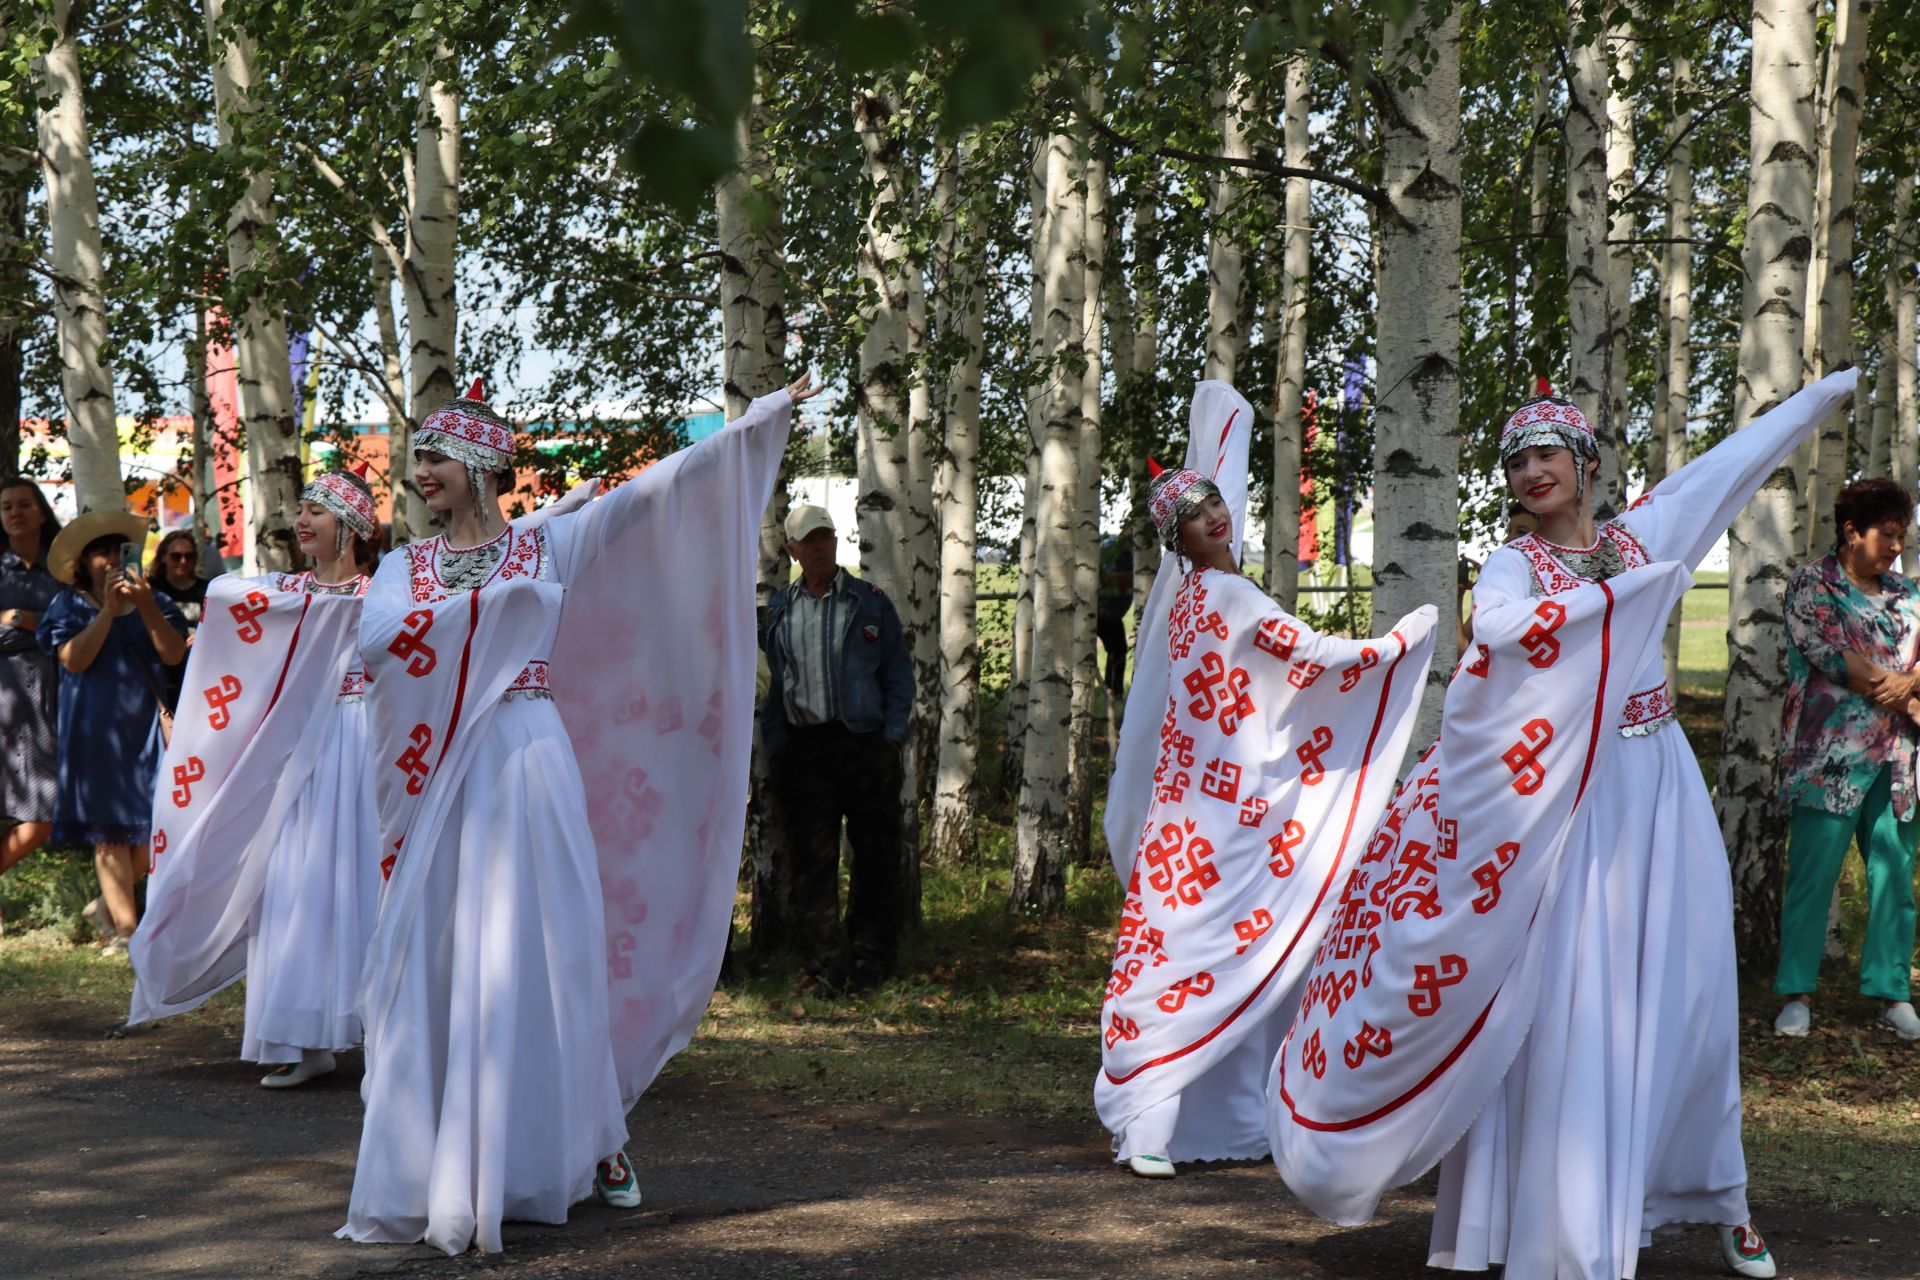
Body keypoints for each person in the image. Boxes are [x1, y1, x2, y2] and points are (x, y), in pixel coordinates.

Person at [1271, 369, 1859, 1280]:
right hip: (1572, 805)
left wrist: (1817, 400)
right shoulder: (1514, 564)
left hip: (1661, 786)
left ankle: (1716, 1197)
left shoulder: (1639, 538)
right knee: (1575, 1005)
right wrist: (1604, 606)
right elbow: (1501, 628)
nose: (1530, 471)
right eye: (1515, 461)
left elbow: (1725, 470)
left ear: (1586, 462)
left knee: (1691, 1001)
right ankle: (1557, 1219)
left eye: (1547, 453)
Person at [343, 374, 804, 1255]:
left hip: (526, 761)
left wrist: (752, 426)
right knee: (442, 955)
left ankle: (593, 1142)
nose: (419, 477)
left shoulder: (547, 549)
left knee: (550, 952)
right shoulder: (404, 568)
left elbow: (656, 495)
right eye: (417, 462)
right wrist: (490, 614)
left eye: (434, 459)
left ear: (480, 466)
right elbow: (377, 645)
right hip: (442, 775)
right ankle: (436, 1155)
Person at [1095, 381, 1436, 1178]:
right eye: (1195, 515)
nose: (1215, 517)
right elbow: (1312, 657)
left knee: (1176, 946)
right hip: (1222, 809)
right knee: (1212, 946)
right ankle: (1170, 1117)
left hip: (1189, 806)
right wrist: (1395, 648)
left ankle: (1167, 1119)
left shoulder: (1183, 601)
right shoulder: (1232, 593)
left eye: (1216, 504)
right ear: (1179, 538)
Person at [1772, 477, 1920, 1042]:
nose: (1895, 547)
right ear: (1851, 531)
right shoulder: (1812, 585)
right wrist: (1903, 687)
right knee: (1813, 876)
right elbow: (1836, 658)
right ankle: (1795, 993)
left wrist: (1908, 680)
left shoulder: (1907, 593)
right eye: (1886, 535)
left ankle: (1891, 991)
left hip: (1899, 758)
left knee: (1894, 875)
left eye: (1901, 536)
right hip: (1827, 755)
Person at [759, 501, 912, 992]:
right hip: (805, 751)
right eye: (810, 539)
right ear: (793, 551)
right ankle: (827, 964)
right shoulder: (778, 611)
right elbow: (768, 686)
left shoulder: (869, 601)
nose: (821, 545)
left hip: (865, 746)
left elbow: (898, 676)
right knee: (813, 861)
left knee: (875, 857)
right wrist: (779, 746)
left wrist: (891, 738)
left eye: (826, 535)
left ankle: (871, 962)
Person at [36, 508, 187, 954]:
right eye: (100, 553)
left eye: (118, 551)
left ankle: (104, 904)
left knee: (166, 826)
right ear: (82, 563)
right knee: (110, 833)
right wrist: (108, 611)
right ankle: (126, 933)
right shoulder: (67, 603)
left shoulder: (152, 600)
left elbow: (174, 654)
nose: (111, 561)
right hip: (92, 733)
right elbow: (74, 659)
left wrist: (141, 607)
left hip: (145, 732)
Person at [0, 479, 63, 909]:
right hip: (2, 691)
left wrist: (18, 618)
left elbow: (70, 626)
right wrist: (40, 625)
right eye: (6, 507)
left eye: (25, 504)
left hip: (48, 698)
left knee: (43, 815)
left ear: (42, 512)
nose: (15, 512)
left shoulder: (64, 568)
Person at [1096, 534, 1134, 704]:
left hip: (1112, 616)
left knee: (1118, 651)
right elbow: (1110, 579)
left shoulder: (1135, 555)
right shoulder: (1109, 550)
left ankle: (1113, 692)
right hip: (1095, 611)